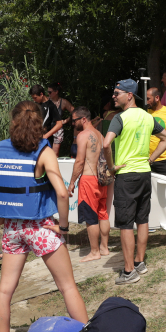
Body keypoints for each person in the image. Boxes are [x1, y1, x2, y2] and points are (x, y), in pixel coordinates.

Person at [0, 101, 88, 332]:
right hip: (40, 227)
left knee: (5, 291)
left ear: (13, 122)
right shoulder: (43, 152)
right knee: (67, 286)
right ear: (40, 124)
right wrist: (64, 227)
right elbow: (60, 192)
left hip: (11, 229)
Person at [102, 79, 166, 285]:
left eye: (117, 93)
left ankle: (129, 271)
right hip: (144, 173)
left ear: (129, 95)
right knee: (142, 219)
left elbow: (106, 144)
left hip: (126, 174)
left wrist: (112, 166)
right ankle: (140, 262)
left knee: (125, 223)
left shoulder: (120, 118)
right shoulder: (148, 116)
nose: (114, 97)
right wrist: (150, 159)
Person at [67, 106, 111, 262]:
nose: (73, 124)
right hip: (102, 179)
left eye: (74, 120)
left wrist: (72, 182)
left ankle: (94, 252)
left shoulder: (83, 135)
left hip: (88, 178)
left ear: (83, 119)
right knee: (103, 213)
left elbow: (79, 161)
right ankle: (104, 248)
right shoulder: (100, 134)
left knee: (91, 216)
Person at [47, 82, 75, 154]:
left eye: (50, 92)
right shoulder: (46, 101)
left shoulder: (63, 102)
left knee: (54, 154)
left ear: (56, 92)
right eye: (47, 92)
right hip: (46, 129)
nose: (48, 94)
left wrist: (66, 121)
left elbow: (75, 112)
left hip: (57, 129)